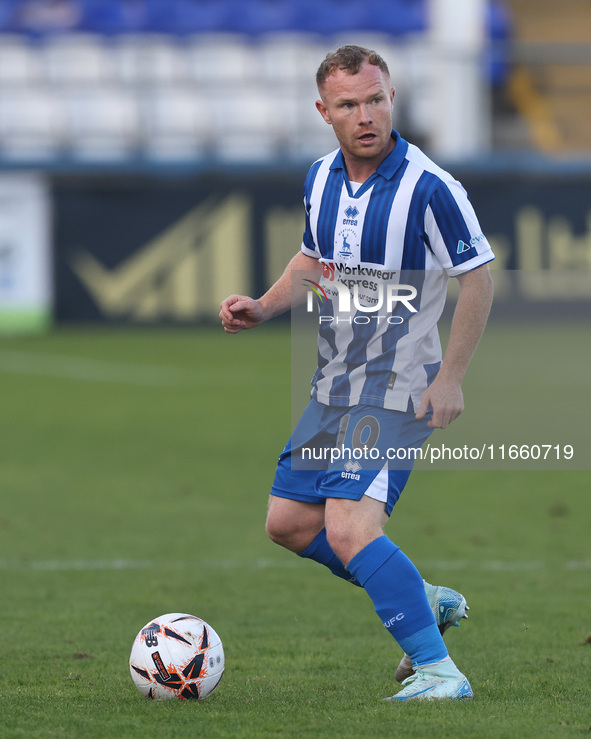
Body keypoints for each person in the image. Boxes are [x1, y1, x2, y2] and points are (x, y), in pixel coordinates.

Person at [220, 45, 494, 701]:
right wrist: (262, 305)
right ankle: (421, 599)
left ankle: (437, 670)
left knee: (348, 526)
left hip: (396, 383)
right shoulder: (319, 177)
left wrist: (450, 376)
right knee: (287, 522)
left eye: (375, 99)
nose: (365, 114)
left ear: (390, 98)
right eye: (348, 104)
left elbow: (478, 280)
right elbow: (312, 261)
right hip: (335, 383)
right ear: (324, 111)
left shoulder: (430, 188)